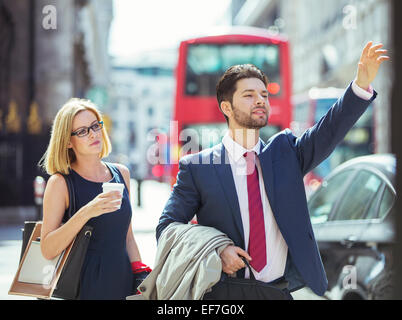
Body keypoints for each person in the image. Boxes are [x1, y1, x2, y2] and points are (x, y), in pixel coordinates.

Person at [156, 42, 389, 299]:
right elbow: (167, 227)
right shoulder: (198, 168)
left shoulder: (287, 155)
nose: (260, 100)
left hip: (278, 292)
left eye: (264, 95)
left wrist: (358, 87)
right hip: (223, 294)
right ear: (226, 108)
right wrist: (216, 249)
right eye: (248, 95)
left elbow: (329, 130)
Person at [39, 98, 151, 300]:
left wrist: (141, 278)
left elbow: (128, 237)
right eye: (82, 131)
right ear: (67, 141)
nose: (93, 134)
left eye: (94, 126)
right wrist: (87, 211)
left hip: (122, 282)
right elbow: (47, 249)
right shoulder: (60, 183)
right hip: (82, 287)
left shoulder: (121, 174)